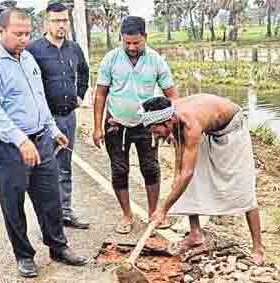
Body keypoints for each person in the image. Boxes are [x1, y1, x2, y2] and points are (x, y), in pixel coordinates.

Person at [0, 7, 88, 278]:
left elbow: (39, 99)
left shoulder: (27, 59)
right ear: (1, 32)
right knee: (13, 203)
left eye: (27, 33)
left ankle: (58, 246)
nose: (23, 39)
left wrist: (51, 128)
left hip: (40, 140)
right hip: (9, 147)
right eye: (17, 34)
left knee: (51, 198)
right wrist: (21, 140)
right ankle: (24, 255)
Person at [142, 94, 265, 265]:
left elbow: (188, 172)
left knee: (244, 189)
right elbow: (181, 161)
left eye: (156, 131)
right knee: (184, 182)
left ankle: (258, 248)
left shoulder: (191, 124)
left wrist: (163, 210)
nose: (155, 136)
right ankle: (195, 235)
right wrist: (177, 176)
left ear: (168, 122)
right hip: (209, 130)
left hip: (233, 129)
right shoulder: (172, 117)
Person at [92, 16, 180, 234]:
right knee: (119, 170)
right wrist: (97, 127)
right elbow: (100, 94)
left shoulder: (156, 61)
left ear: (145, 38)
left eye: (136, 43)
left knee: (150, 168)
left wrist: (172, 126)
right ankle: (126, 215)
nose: (131, 47)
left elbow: (172, 95)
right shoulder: (111, 59)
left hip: (146, 124)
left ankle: (153, 213)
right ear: (121, 39)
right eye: (127, 42)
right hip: (116, 123)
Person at [26, 2, 90, 230]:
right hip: (44, 121)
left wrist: (80, 95)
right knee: (44, 169)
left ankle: (65, 212)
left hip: (68, 118)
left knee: (65, 167)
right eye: (56, 20)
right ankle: (49, 218)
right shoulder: (34, 50)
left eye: (65, 20)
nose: (62, 25)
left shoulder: (74, 48)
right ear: (46, 23)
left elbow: (84, 72)